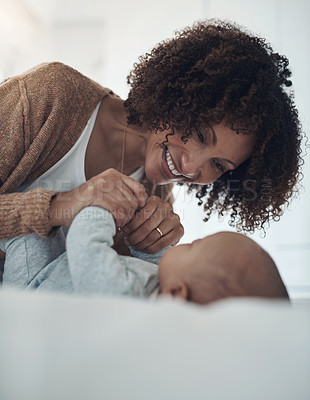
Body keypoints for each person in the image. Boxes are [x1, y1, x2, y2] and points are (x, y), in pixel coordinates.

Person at [0, 19, 302, 259]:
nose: (191, 167)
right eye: (198, 134)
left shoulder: (155, 197)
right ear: (180, 94)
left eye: (219, 165)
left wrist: (145, 248)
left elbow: (86, 283)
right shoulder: (52, 95)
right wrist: (61, 206)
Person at [0, 204, 288, 304]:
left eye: (194, 245)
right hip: (57, 270)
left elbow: (86, 249)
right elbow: (152, 263)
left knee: (31, 230)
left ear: (177, 294)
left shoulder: (125, 298)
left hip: (32, 286)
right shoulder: (162, 289)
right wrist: (145, 239)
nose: (187, 243)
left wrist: (100, 209)